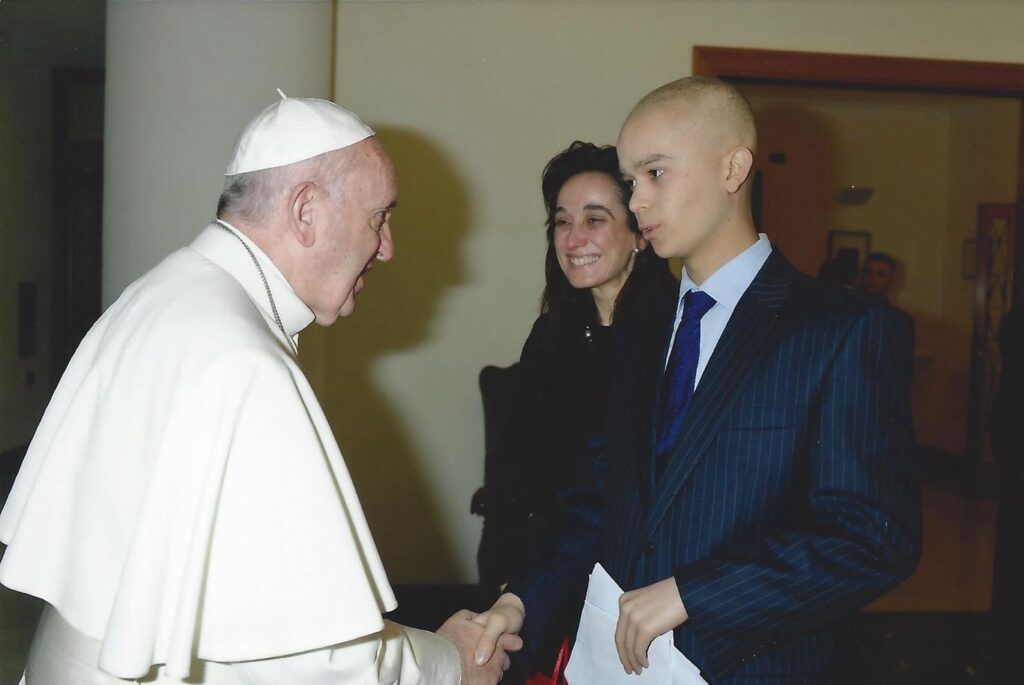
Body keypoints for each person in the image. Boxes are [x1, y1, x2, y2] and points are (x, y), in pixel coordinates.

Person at [0, 93, 519, 684]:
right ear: (305, 211)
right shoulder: (245, 365)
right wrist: (450, 662)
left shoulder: (158, 293)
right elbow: (312, 663)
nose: (388, 246)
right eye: (379, 217)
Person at [474, 76, 921, 683]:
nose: (637, 203)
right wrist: (518, 601)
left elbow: (872, 538)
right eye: (632, 183)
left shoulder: (842, 328)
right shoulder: (642, 327)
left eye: (656, 175)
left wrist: (694, 594)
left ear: (733, 168)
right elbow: (596, 502)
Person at [476, 141, 676, 681]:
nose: (573, 238)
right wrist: (506, 579)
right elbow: (516, 469)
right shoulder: (552, 334)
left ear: (639, 233)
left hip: (623, 594)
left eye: (595, 218)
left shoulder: (672, 336)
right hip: (537, 577)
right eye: (562, 222)